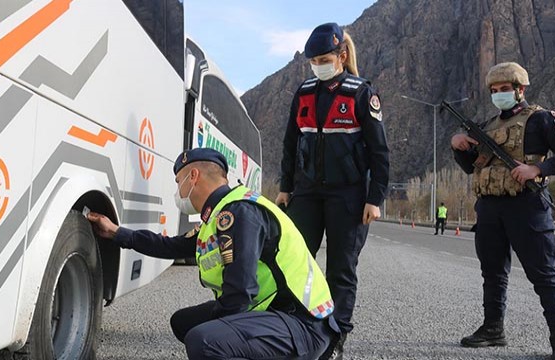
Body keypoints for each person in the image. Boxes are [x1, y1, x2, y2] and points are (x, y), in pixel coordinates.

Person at [88, 148, 339, 359]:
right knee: (184, 323)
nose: (177, 192)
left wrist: (220, 332)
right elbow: (171, 246)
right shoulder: (219, 215)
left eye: (178, 182)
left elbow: (240, 293)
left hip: (302, 324)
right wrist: (116, 233)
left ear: (193, 176)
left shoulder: (239, 213)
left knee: (204, 340)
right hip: (272, 313)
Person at [451, 62, 555, 360]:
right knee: (493, 272)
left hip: (528, 206)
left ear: (519, 90)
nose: (498, 95)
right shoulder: (488, 126)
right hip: (490, 207)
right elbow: (473, 167)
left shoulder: (542, 119)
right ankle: (493, 329)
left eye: (504, 90)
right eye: (494, 91)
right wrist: (459, 147)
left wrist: (537, 168)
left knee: (543, 274)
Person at [275, 22, 389, 359]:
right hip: (307, 192)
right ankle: (291, 326)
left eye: (324, 59)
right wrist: (285, 187)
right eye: (313, 61)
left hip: (349, 195)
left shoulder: (361, 93)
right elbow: (290, 143)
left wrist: (375, 198)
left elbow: (379, 152)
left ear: (341, 56)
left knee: (341, 268)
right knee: (294, 259)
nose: (318, 65)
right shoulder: (304, 92)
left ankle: (334, 338)